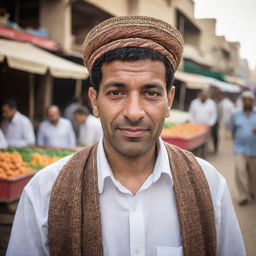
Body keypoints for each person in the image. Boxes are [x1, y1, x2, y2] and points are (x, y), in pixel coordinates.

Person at [7, 16, 245, 256]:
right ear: (94, 101)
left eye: (150, 93)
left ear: (169, 100)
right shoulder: (45, 191)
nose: (134, 112)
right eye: (116, 92)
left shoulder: (209, 186)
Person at [230, 91, 256, 206]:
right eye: (245, 99)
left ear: (253, 101)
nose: (247, 102)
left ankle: (252, 192)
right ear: (242, 101)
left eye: (250, 100)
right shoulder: (236, 114)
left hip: (254, 150)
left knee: (253, 174)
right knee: (240, 172)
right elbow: (233, 129)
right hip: (239, 148)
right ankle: (243, 196)